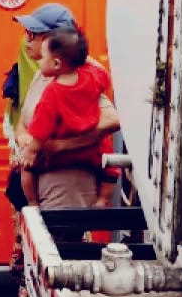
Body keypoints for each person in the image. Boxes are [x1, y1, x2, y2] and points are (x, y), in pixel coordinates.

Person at [4, 3, 120, 297]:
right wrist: (24, 135)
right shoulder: (47, 71)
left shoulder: (84, 73)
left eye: (33, 35)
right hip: (40, 174)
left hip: (65, 179)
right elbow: (27, 113)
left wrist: (57, 146)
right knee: (37, 241)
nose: (27, 41)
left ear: (55, 41)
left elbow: (110, 121)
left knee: (58, 246)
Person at [17, 27, 116, 207]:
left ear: (56, 64)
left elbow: (40, 128)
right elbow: (104, 76)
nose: (39, 62)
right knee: (110, 168)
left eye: (43, 58)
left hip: (58, 158)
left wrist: (31, 151)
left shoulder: (52, 92)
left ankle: (32, 204)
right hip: (89, 151)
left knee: (26, 168)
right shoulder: (90, 77)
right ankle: (104, 199)